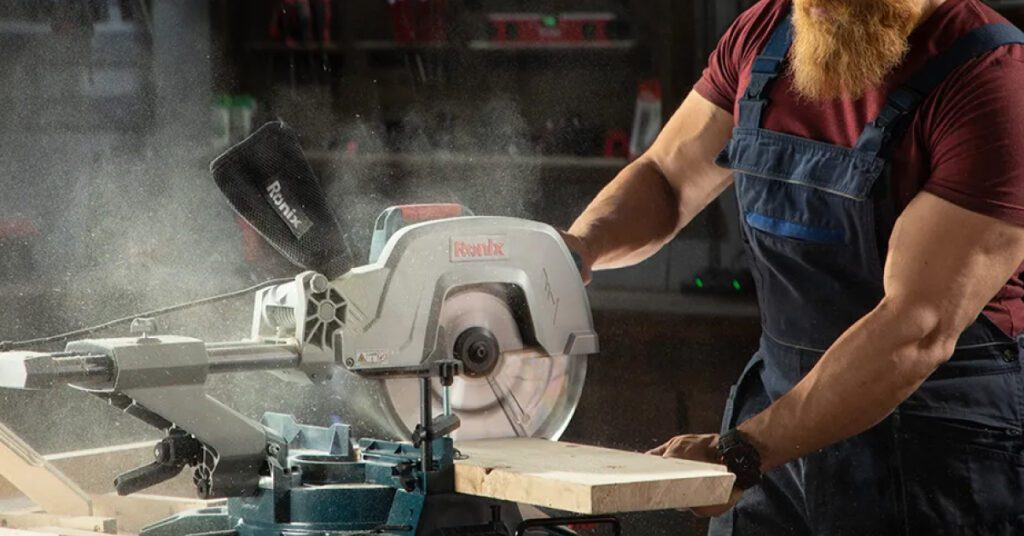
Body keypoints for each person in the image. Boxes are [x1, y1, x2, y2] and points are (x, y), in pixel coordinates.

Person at [560, 0, 1024, 533]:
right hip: (773, 425)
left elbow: (916, 327)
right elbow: (667, 177)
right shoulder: (766, 33)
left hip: (933, 444)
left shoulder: (993, 79)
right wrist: (574, 251)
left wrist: (746, 452)